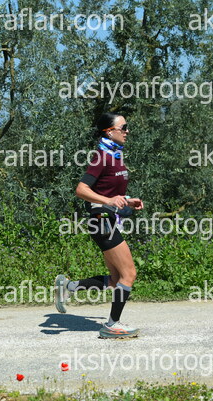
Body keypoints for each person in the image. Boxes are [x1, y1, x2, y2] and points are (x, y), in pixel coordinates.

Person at [54, 112, 144, 339]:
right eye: (123, 127)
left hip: (109, 219)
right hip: (101, 221)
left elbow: (109, 192)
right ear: (109, 132)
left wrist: (127, 201)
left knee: (115, 280)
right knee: (129, 274)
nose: (127, 131)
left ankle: (69, 287)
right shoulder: (102, 157)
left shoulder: (115, 156)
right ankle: (112, 325)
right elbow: (81, 189)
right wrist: (108, 201)